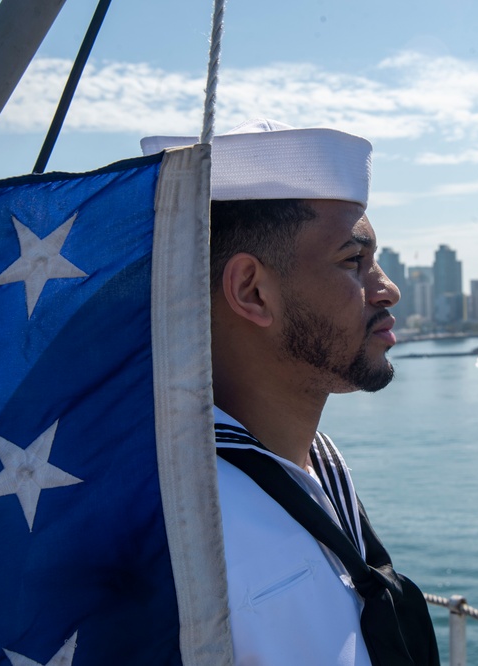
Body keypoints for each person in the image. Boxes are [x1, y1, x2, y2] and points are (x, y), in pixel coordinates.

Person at [142, 120, 439, 666]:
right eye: (355, 261)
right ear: (253, 292)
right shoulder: (188, 529)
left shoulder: (313, 466)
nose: (388, 288)